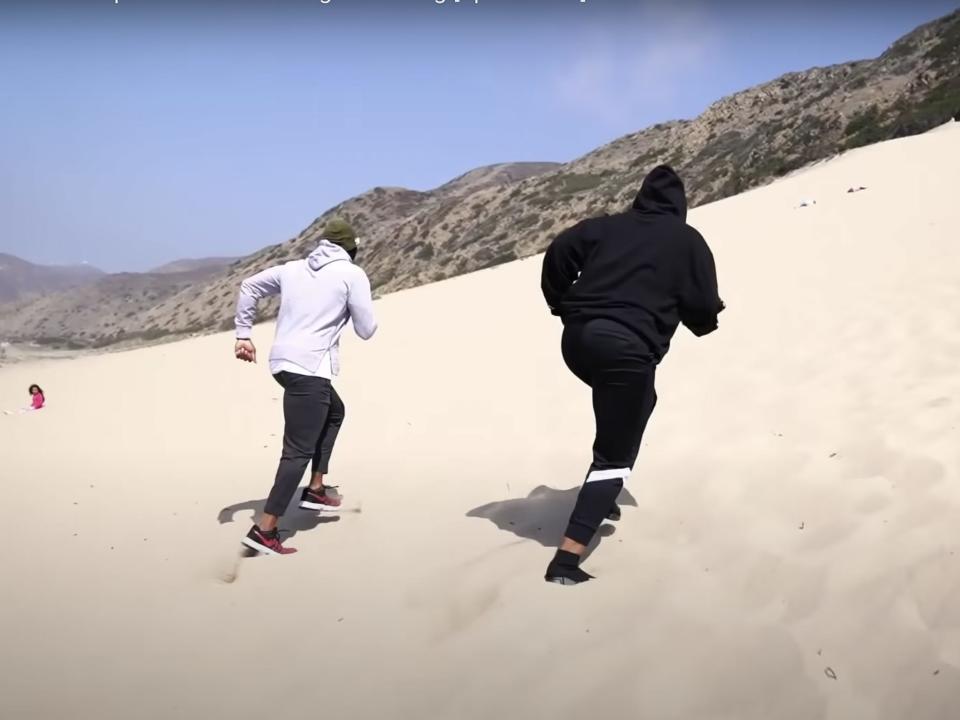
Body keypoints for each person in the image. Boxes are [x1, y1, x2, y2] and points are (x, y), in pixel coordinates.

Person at [540, 165, 724, 585]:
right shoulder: (688, 241)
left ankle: (600, 498)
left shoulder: (605, 227)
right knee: (616, 455)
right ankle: (566, 560)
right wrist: (704, 319)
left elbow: (557, 253)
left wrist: (561, 302)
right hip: (626, 350)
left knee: (633, 406)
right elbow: (703, 306)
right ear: (680, 205)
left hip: (578, 342)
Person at [233, 218, 378, 556]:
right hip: (309, 369)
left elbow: (249, 286)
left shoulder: (292, 269)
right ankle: (264, 530)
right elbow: (367, 329)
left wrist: (243, 333)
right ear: (351, 249)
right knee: (297, 451)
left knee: (335, 412)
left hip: (282, 363)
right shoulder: (351, 274)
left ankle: (315, 488)